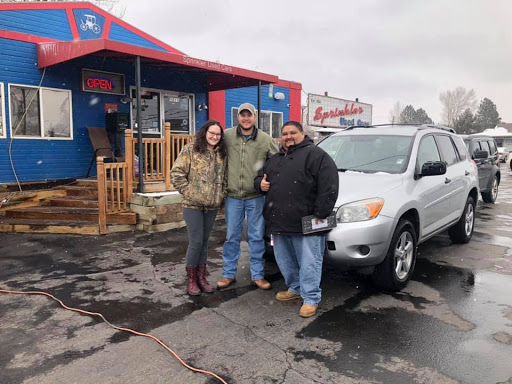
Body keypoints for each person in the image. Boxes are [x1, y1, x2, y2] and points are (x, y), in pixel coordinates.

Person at [254, 121, 338, 317]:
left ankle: (311, 297)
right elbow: (259, 178)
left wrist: (321, 213)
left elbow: (329, 186)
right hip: (279, 220)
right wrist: (260, 184)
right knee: (285, 259)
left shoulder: (317, 156)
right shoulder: (275, 159)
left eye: (293, 132)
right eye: (285, 133)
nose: (288, 136)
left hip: (308, 221)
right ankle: (294, 288)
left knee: (310, 261)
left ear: (302, 133)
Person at [217, 103, 278, 290]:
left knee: (256, 237)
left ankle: (257, 275)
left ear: (255, 116)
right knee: (232, 237)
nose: (246, 118)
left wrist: (268, 182)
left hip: (256, 197)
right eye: (242, 115)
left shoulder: (265, 139)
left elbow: (276, 164)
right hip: (233, 196)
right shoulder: (226, 136)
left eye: (249, 115)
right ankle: (228, 274)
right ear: (238, 117)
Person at [171, 120, 227, 296]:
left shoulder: (222, 154)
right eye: (212, 133)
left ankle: (202, 277)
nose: (214, 137)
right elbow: (177, 173)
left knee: (204, 241)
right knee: (196, 241)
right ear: (205, 132)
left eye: (218, 134)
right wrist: (189, 192)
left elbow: (225, 177)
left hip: (212, 205)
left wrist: (222, 194)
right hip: (192, 204)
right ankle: (191, 279)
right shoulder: (191, 149)